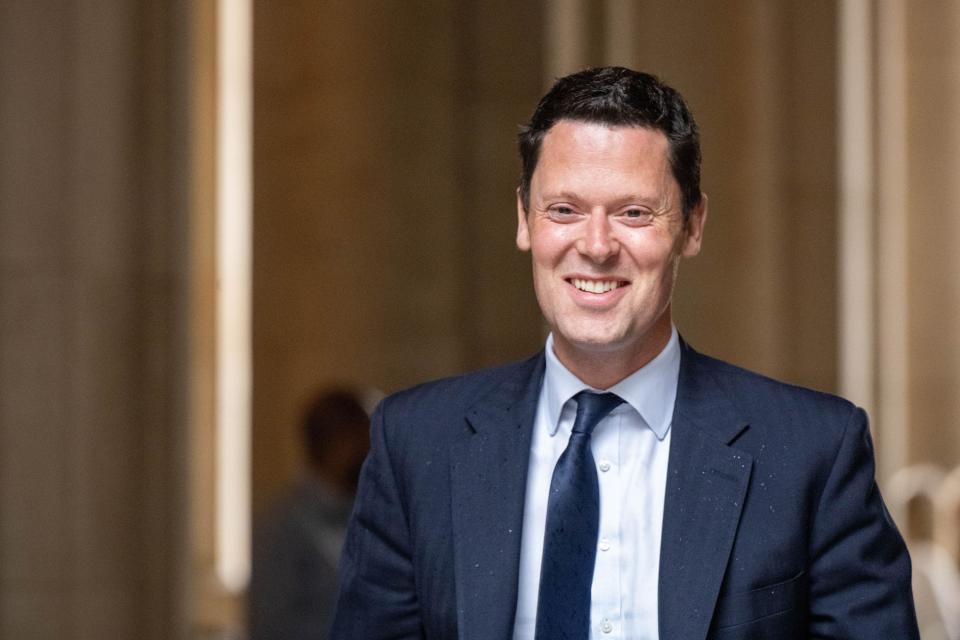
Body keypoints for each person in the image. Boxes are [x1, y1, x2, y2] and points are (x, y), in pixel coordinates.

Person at [330, 67, 919, 639]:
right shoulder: (415, 444)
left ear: (691, 225)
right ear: (524, 220)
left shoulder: (814, 452)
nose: (595, 245)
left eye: (634, 213)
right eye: (564, 210)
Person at [249, 388, 370, 640]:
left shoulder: (366, 514)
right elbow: (270, 625)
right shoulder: (283, 524)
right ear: (338, 443)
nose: (371, 453)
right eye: (364, 440)